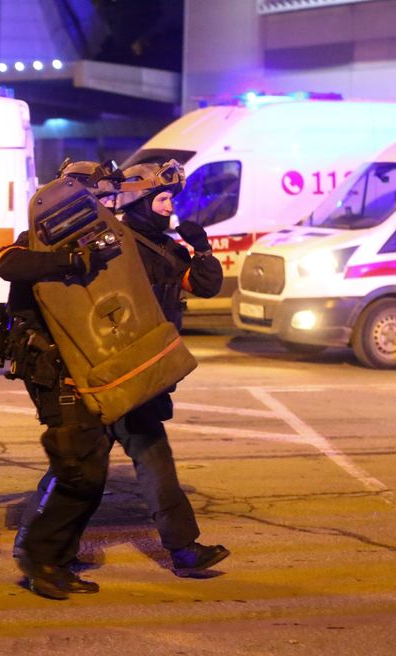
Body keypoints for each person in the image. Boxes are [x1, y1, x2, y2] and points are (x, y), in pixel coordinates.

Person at [0, 166, 119, 600]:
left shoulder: (98, 239)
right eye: (98, 196)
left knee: (92, 466)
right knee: (76, 464)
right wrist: (69, 260)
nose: (105, 204)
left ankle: (57, 559)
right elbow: (8, 262)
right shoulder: (42, 235)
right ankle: (38, 554)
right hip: (51, 366)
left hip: (86, 363)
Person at [109, 160, 230, 576]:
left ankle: (184, 549)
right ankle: (40, 549)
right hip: (110, 372)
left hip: (145, 374)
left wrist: (203, 249)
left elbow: (208, 286)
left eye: (169, 200)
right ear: (139, 202)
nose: (168, 208)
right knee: (78, 472)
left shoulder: (168, 250)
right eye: (161, 199)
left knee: (151, 459)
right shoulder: (114, 245)